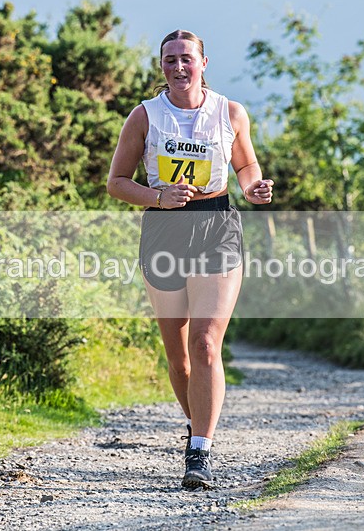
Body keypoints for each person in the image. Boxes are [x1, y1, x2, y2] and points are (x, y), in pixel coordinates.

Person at [106, 29, 273, 489]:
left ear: (204, 63)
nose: (178, 68)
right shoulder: (144, 117)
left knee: (205, 343)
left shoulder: (230, 112)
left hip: (216, 224)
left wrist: (253, 187)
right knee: (179, 356)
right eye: (169, 60)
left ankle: (199, 450)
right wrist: (158, 197)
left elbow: (246, 165)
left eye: (186, 59)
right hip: (164, 229)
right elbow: (117, 182)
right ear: (161, 67)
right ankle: (198, 423)